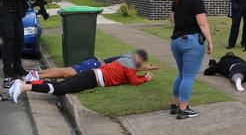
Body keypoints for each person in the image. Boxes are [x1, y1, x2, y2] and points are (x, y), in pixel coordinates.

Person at [9, 50, 153, 102]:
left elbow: (129, 76)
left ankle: (22, 85)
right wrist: (145, 78)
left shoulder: (125, 62)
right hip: (90, 77)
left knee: (59, 86)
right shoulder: (129, 67)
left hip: (90, 75)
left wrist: (142, 72)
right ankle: (23, 87)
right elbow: (133, 81)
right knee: (59, 89)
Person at [170, 0, 213, 120]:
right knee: (188, 76)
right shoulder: (196, 1)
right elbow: (202, 23)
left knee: (181, 74)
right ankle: (183, 109)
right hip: (191, 41)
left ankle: (174, 105)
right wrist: (210, 41)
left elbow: (173, 20)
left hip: (176, 41)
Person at [23, 51, 160, 81]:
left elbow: (137, 69)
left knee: (64, 71)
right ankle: (35, 76)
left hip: (93, 63)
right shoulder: (128, 61)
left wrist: (147, 68)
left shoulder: (126, 59)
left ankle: (36, 74)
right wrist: (147, 72)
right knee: (65, 73)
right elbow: (136, 72)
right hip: (93, 65)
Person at [0, 0, 31, 85]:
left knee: (19, 40)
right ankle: (8, 71)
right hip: (6, 15)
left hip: (17, 15)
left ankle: (18, 68)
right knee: (9, 42)